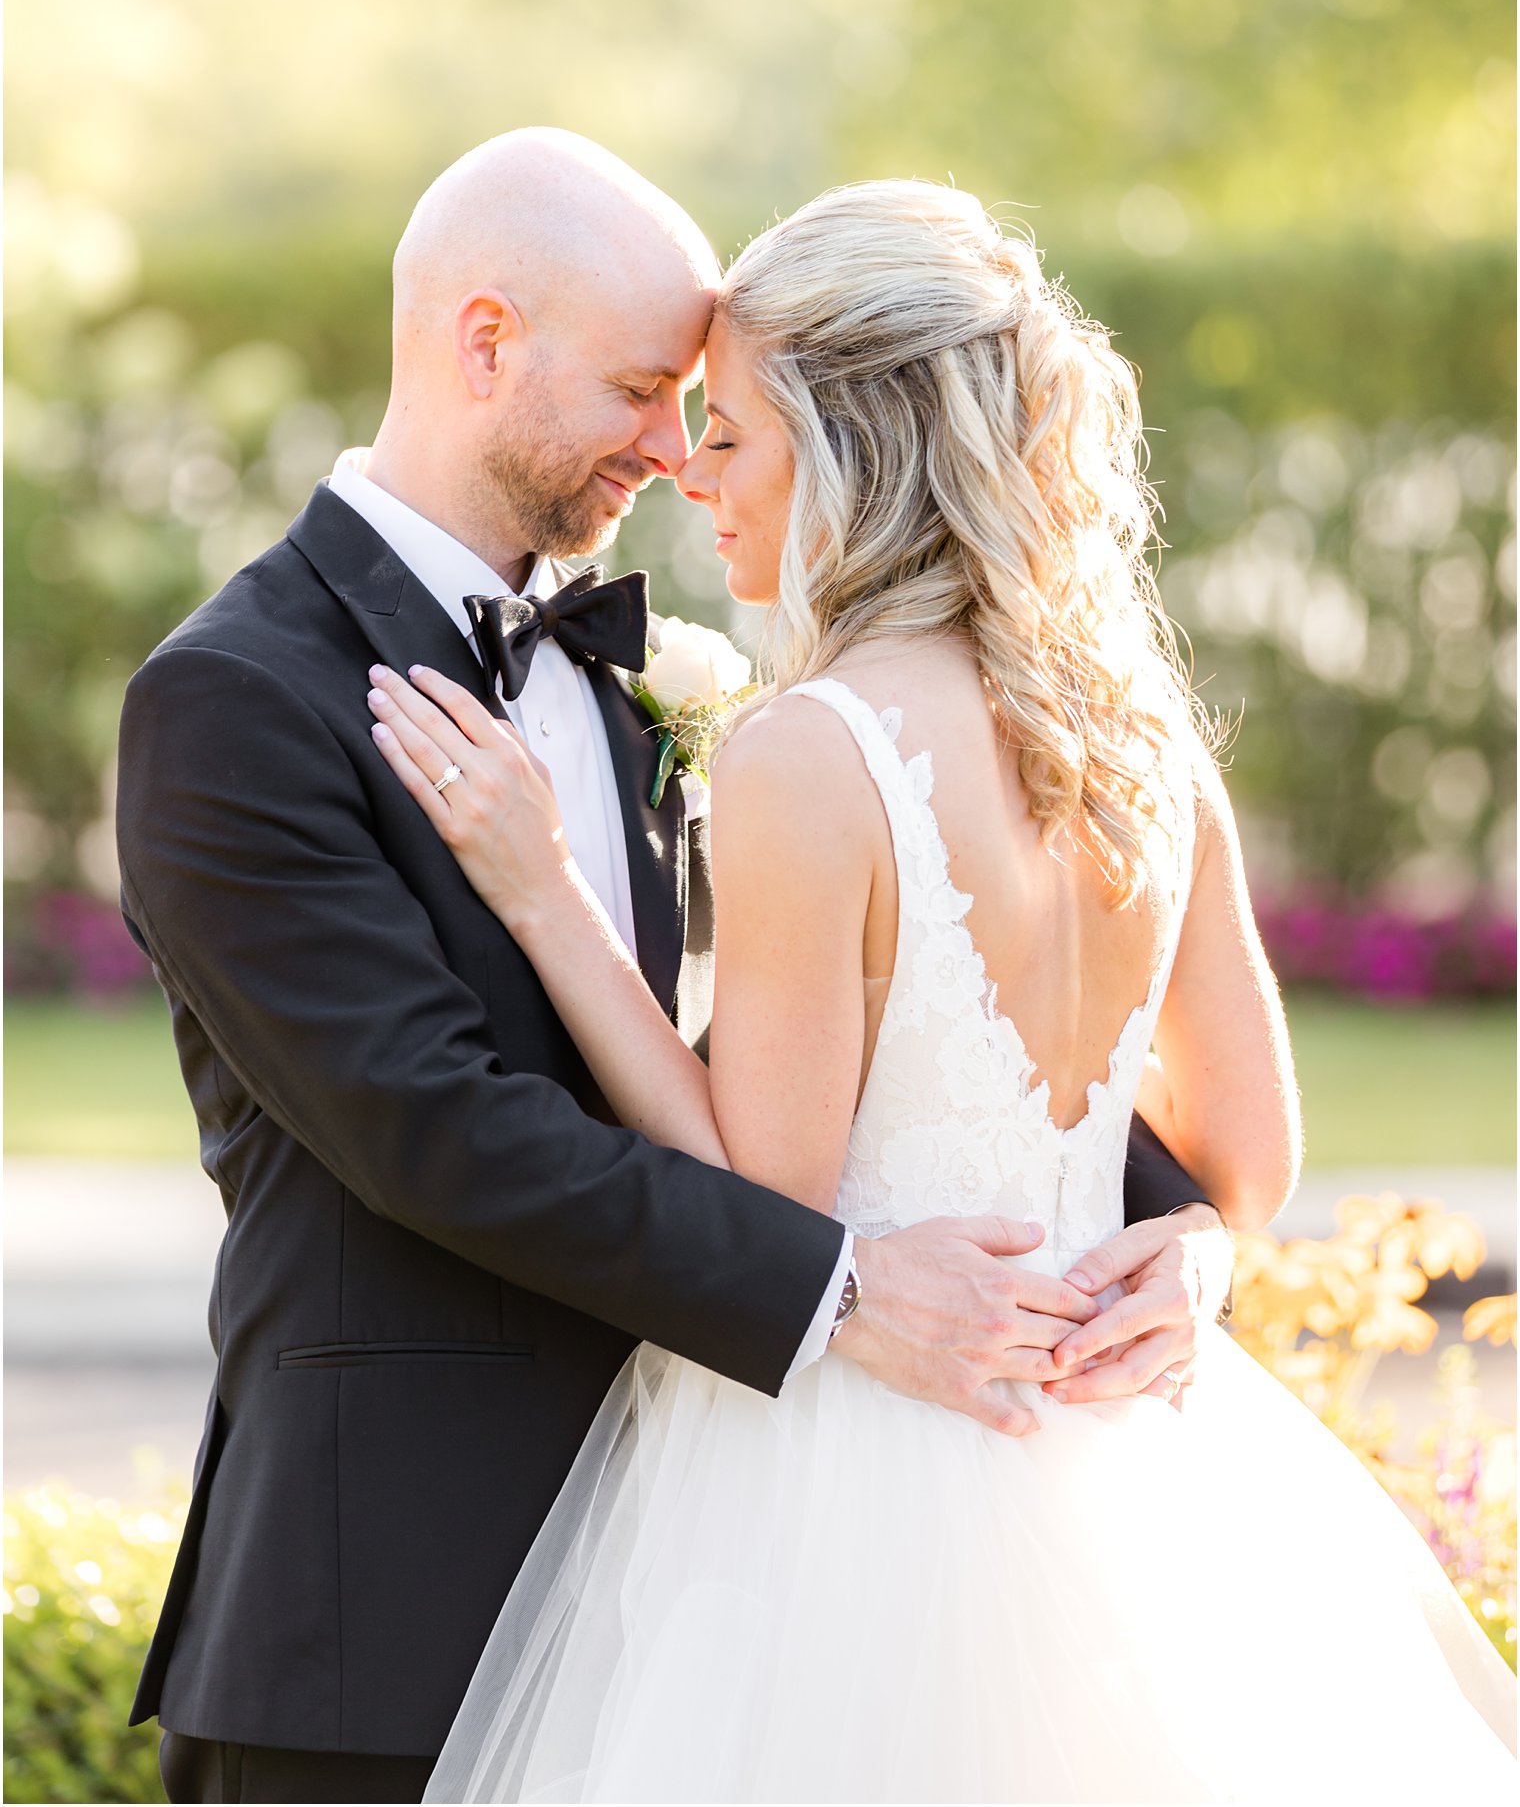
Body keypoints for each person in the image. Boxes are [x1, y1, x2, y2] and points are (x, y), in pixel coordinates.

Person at [115, 133, 1231, 1807]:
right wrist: (845, 1287)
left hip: (709, 1586)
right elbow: (435, 1126)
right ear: (485, 342)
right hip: (396, 1611)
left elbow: (906, 1032)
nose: (673, 442)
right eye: (647, 386)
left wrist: (1161, 1222)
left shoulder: (674, 682)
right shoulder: (237, 697)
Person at [369, 177, 1516, 1804]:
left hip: (846, 1462)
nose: (696, 472)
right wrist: (1188, 1253)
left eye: (739, 432)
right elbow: (1247, 1166)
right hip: (1123, 1463)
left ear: (852, 448)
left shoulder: (813, 750)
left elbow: (773, 1184)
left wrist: (547, 894)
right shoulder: (1145, 749)